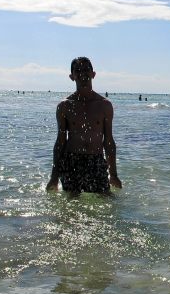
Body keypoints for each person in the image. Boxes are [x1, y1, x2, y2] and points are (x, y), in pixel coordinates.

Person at [47, 57, 121, 194]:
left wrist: (114, 174)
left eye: (86, 70)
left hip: (96, 160)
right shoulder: (64, 106)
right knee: (70, 207)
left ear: (93, 74)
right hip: (71, 161)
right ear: (72, 76)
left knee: (107, 204)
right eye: (78, 71)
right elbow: (60, 142)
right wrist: (54, 176)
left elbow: (109, 141)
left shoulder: (104, 105)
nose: (83, 73)